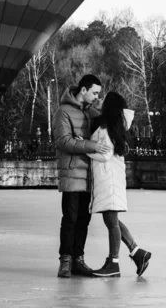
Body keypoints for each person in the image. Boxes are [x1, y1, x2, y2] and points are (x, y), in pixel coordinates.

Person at [86, 91, 151, 277]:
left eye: (102, 100)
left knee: (111, 221)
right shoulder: (112, 126)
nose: (99, 100)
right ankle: (138, 253)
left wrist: (85, 149)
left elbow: (104, 154)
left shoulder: (106, 129)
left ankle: (113, 262)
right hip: (110, 179)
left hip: (109, 181)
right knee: (110, 219)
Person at [52, 74, 110, 278]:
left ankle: (78, 259)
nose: (96, 96)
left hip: (88, 175)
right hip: (71, 174)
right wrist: (92, 145)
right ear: (83, 90)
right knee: (70, 218)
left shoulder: (90, 112)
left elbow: (109, 124)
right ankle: (65, 260)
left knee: (83, 220)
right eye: (94, 92)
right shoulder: (63, 112)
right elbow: (64, 141)